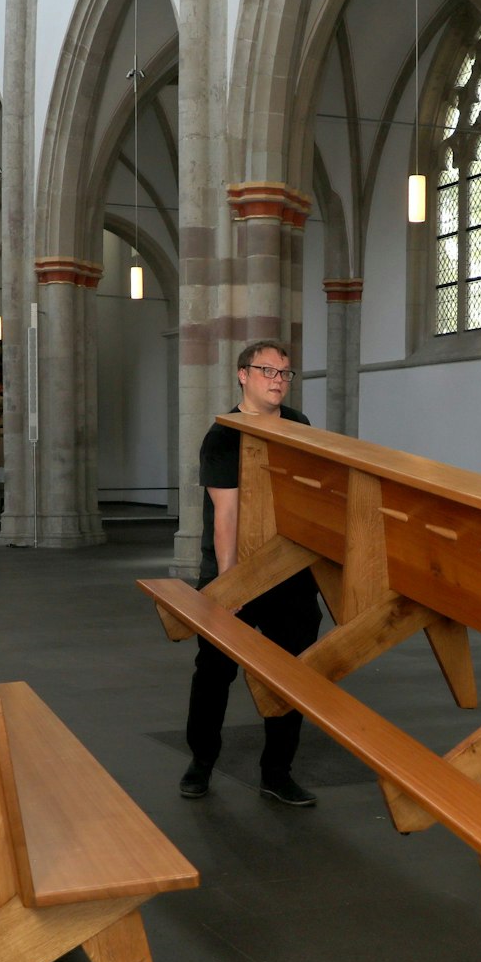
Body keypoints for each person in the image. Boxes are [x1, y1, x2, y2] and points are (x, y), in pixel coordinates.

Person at [180, 339, 323, 808]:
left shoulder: (299, 425)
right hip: (233, 571)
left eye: (284, 372)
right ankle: (201, 761)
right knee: (214, 671)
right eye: (266, 371)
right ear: (243, 375)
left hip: (289, 571)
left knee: (290, 674)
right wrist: (228, 586)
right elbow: (226, 516)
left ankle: (277, 772)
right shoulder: (224, 435)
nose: (277, 380)